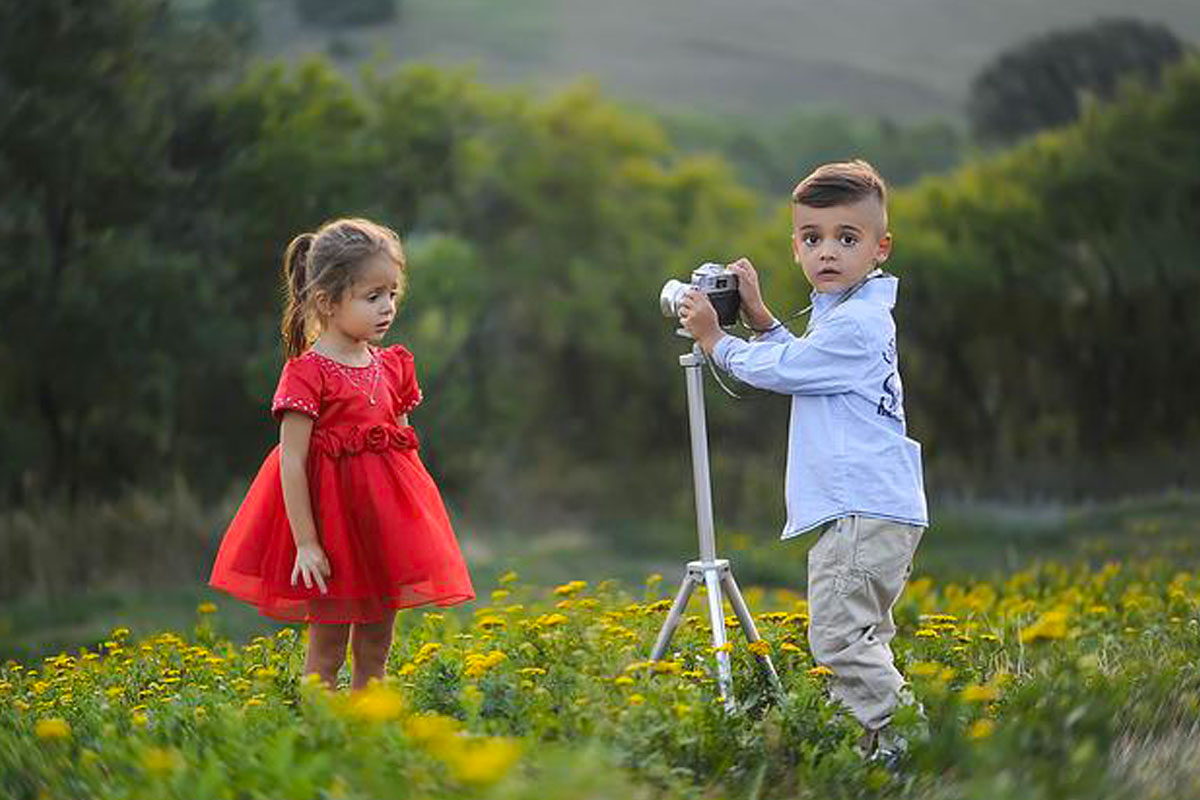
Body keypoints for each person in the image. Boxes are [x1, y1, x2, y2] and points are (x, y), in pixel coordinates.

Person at [678, 160, 928, 764]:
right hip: (876, 506)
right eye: (812, 238)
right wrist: (762, 320)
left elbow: (787, 372)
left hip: (860, 509)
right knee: (864, 638)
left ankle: (911, 745)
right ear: (795, 247)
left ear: (880, 248)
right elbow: (808, 365)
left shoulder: (860, 325)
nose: (828, 252)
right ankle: (877, 749)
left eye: (848, 238)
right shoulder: (845, 315)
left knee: (839, 639)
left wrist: (717, 340)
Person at [209, 217, 475, 691]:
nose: (387, 307)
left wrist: (414, 524)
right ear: (328, 302)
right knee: (327, 647)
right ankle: (323, 733)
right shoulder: (308, 373)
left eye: (392, 294)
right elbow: (291, 461)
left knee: (377, 642)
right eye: (372, 297)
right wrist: (307, 542)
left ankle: (366, 727)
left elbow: (404, 449)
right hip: (331, 531)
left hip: (380, 528)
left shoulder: (392, 365)